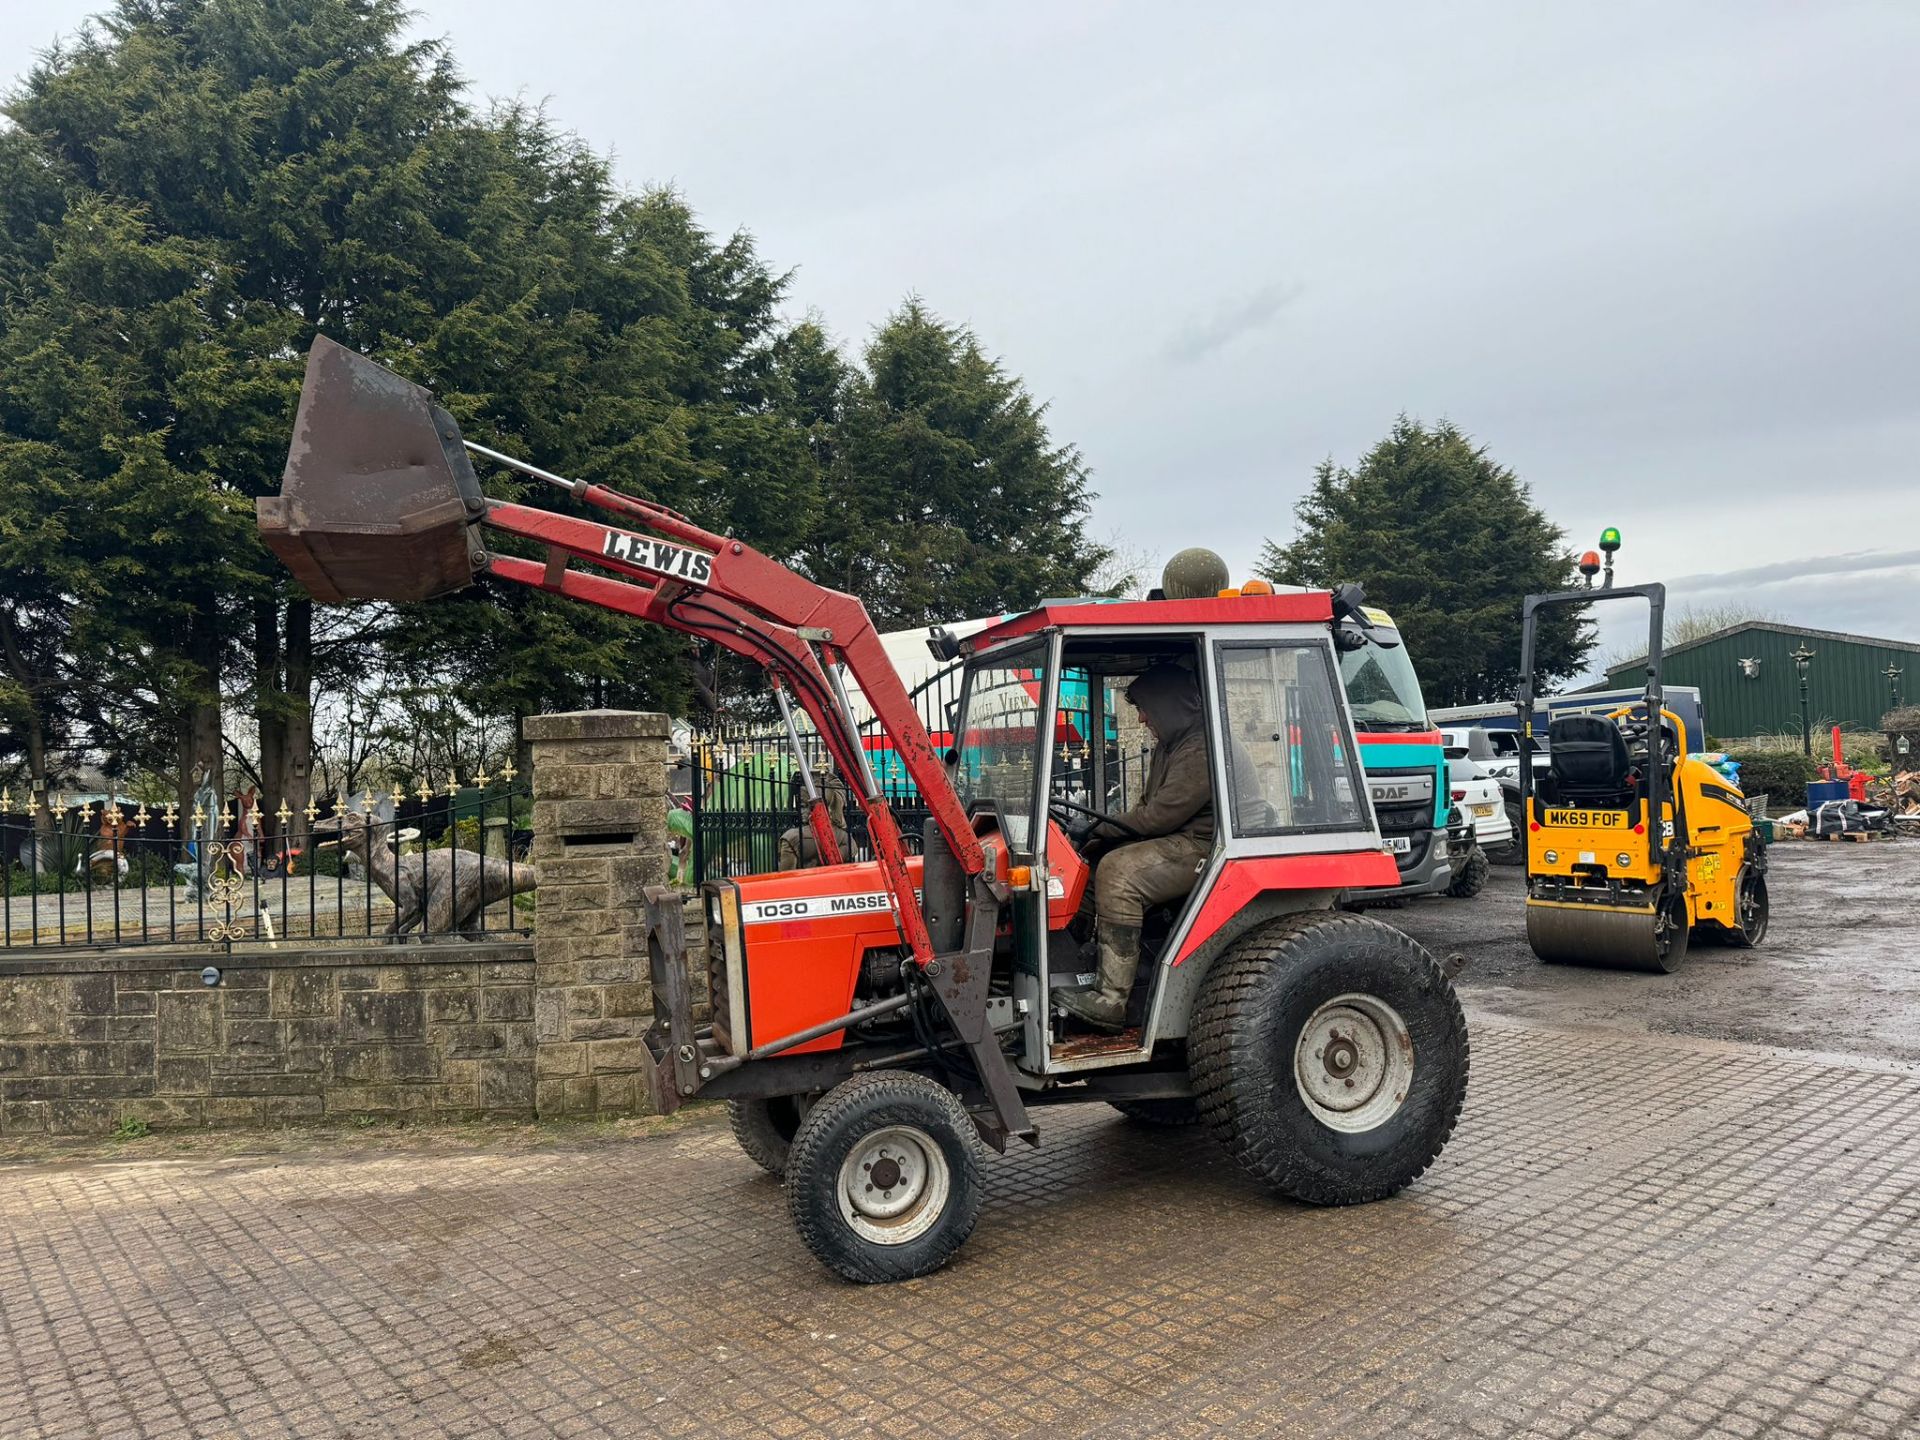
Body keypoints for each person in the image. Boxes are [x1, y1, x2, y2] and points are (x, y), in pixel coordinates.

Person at [1055, 661, 1215, 1030]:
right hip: (1180, 839)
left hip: (1205, 847)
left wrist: (1099, 826)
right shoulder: (1171, 747)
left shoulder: (1200, 749)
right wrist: (1095, 837)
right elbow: (1145, 811)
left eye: (1146, 708)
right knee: (1091, 860)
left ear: (1168, 705)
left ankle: (1112, 999)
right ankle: (1075, 965)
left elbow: (1158, 818)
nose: (1142, 719)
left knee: (1119, 871)